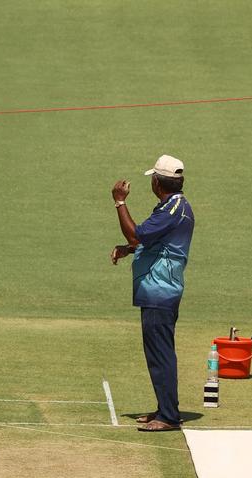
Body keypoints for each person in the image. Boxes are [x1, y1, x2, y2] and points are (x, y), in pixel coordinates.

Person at [110, 155, 195, 433]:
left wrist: (120, 202)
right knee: (158, 353)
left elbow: (138, 235)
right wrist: (130, 249)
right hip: (158, 289)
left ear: (157, 182)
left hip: (160, 290)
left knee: (161, 354)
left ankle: (169, 415)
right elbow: (156, 244)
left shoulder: (172, 210)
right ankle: (164, 408)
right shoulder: (172, 207)